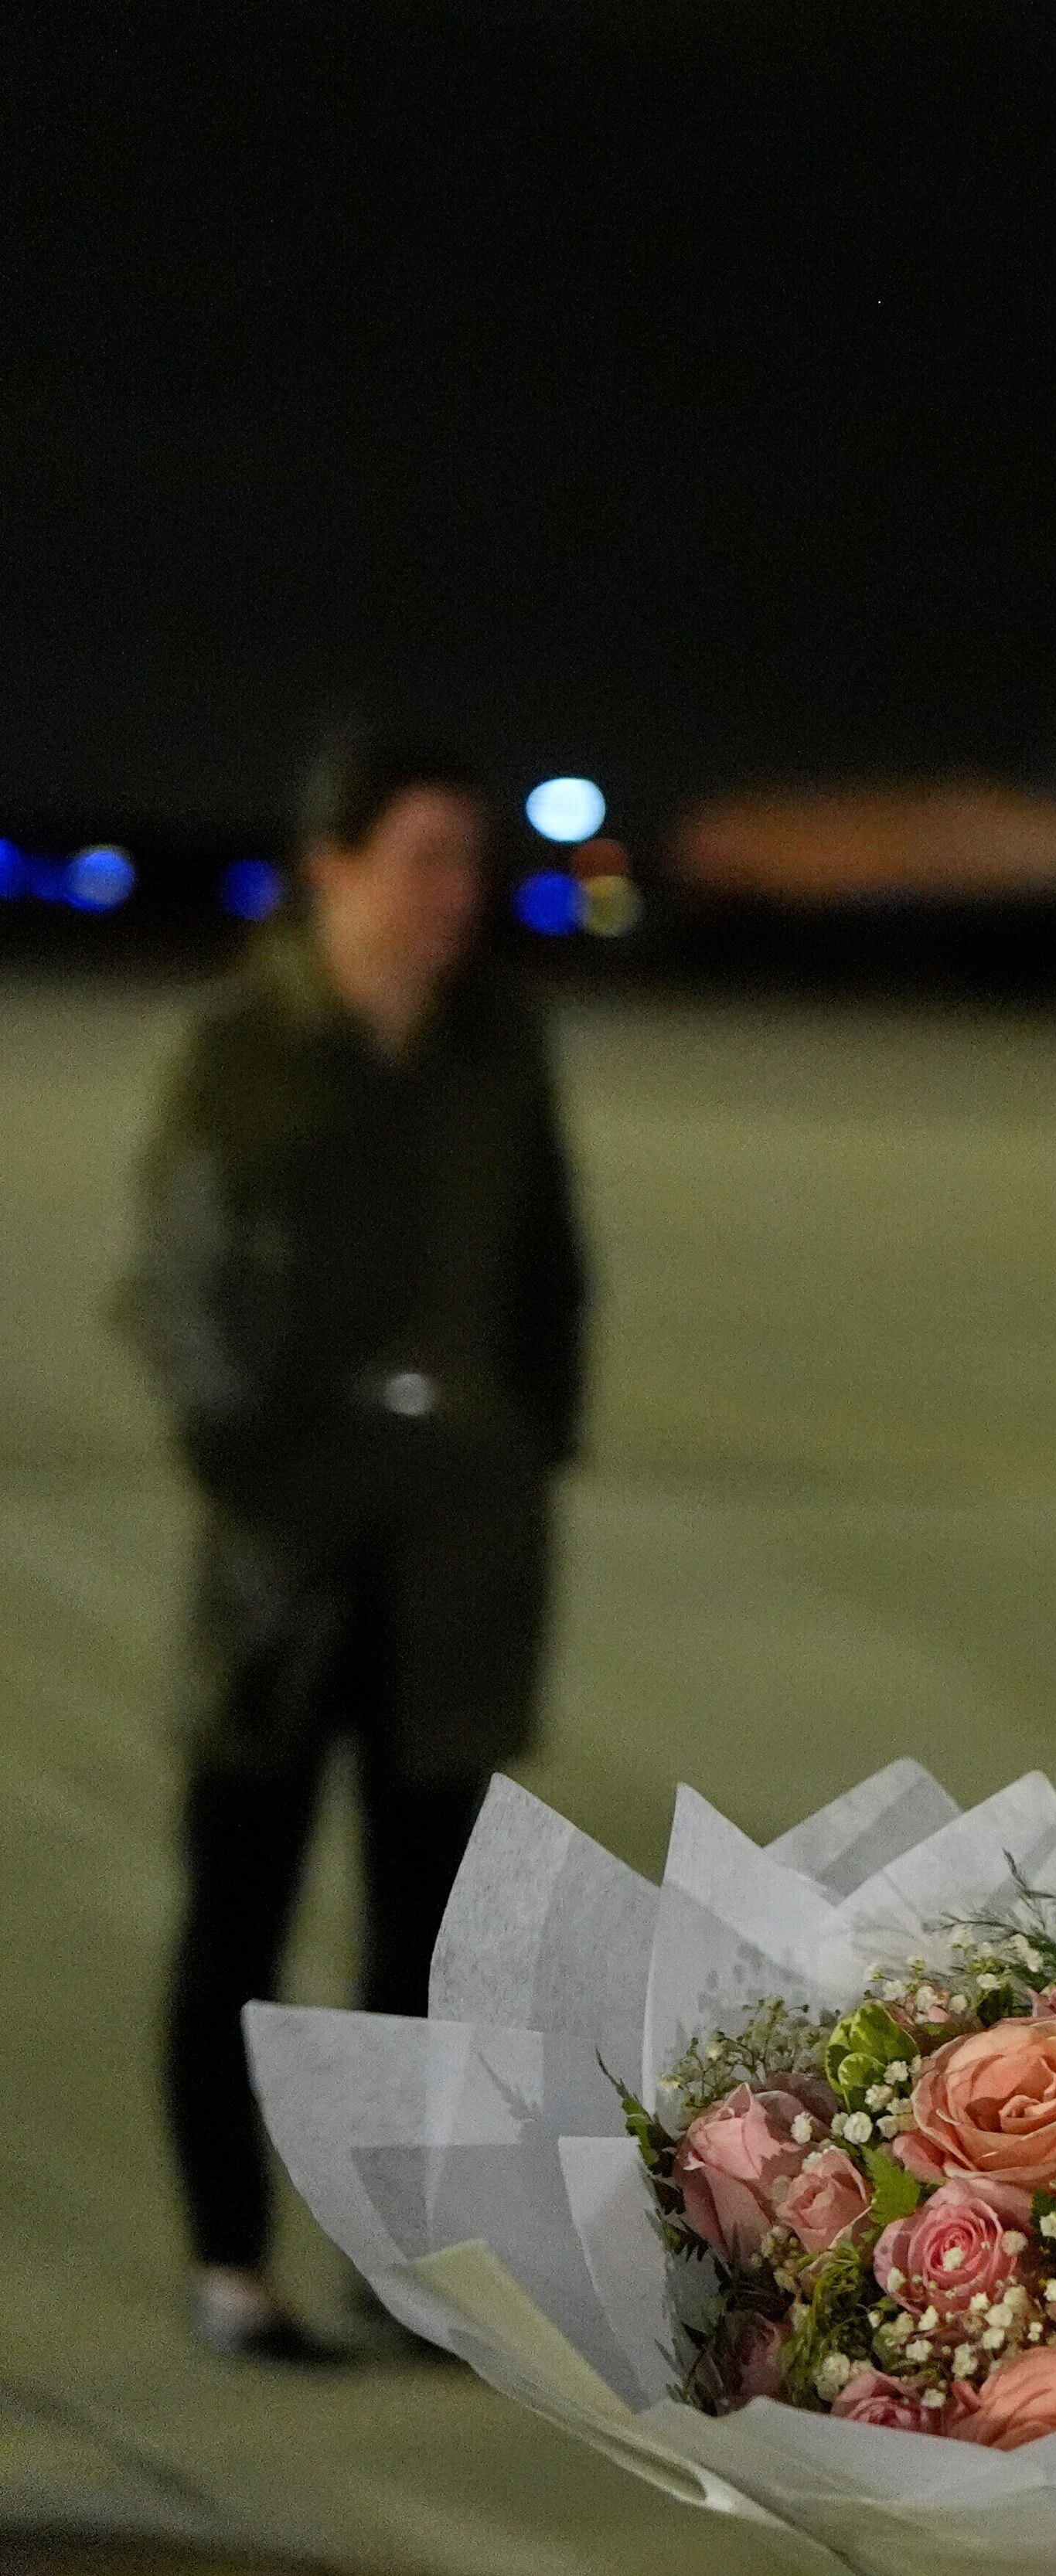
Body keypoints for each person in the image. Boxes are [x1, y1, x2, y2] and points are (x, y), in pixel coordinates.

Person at [118, 737, 588, 2363]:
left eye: (473, 863)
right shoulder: (242, 1052)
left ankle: (401, 2269)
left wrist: (523, 1443)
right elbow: (172, 1295)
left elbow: (549, 1268)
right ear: (332, 864)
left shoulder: (500, 1047)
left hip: (455, 1558)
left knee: (428, 1934)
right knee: (237, 1908)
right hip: (285, 1557)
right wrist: (261, 1469)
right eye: (426, 859)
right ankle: (232, 2262)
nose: (457, 897)